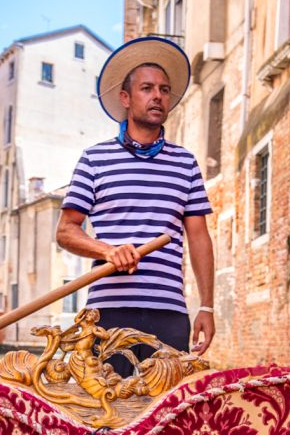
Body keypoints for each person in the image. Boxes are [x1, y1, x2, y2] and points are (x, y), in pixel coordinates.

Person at [56, 35, 215, 370]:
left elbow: (199, 237)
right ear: (126, 98)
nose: (157, 95)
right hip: (107, 314)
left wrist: (207, 306)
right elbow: (66, 231)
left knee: (166, 418)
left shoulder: (185, 163)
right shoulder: (94, 159)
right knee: (105, 418)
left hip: (169, 313)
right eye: (147, 88)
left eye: (164, 89)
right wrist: (107, 251)